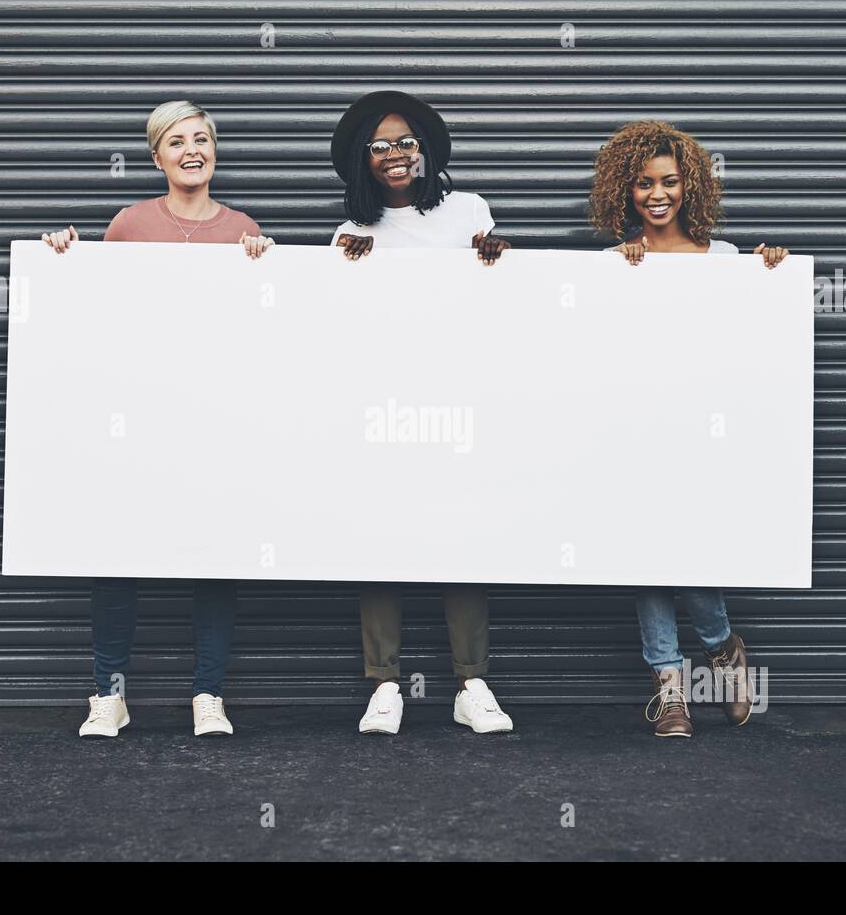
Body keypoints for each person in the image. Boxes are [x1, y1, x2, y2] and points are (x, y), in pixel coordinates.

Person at [40, 100, 274, 739]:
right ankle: (109, 695)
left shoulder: (244, 230)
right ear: (157, 156)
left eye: (202, 139)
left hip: (213, 419)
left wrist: (269, 270)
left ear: (216, 151)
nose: (192, 150)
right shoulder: (131, 223)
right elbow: (96, 307)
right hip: (136, 418)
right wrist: (63, 256)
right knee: (118, 553)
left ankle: (208, 695)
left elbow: (264, 329)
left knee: (213, 558)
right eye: (177, 142)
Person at [587, 119, 789, 738]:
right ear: (626, 191)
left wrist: (768, 276)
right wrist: (618, 277)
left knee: (691, 550)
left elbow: (751, 338)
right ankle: (670, 690)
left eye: (669, 181)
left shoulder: (725, 261)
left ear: (689, 186)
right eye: (644, 183)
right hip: (636, 432)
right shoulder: (614, 262)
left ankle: (723, 647)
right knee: (646, 558)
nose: (657, 194)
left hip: (704, 434)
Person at [329, 90, 513, 735]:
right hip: (383, 406)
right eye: (379, 147)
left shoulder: (468, 212)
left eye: (405, 142)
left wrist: (497, 264)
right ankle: (384, 685)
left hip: (459, 400)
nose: (395, 155)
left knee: (460, 534)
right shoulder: (352, 233)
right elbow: (341, 328)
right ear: (363, 160)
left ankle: (472, 683)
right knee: (383, 538)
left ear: (426, 150)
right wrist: (346, 276)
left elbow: (493, 307)